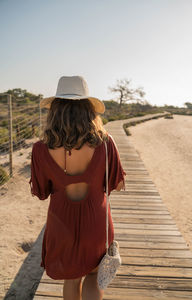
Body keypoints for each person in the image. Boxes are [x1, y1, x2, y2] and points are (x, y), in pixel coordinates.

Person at [29, 76, 126, 300]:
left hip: (61, 222)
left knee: (71, 280)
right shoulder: (106, 142)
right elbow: (117, 184)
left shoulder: (41, 149)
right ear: (88, 110)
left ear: (55, 110)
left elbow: (42, 192)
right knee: (93, 275)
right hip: (97, 222)